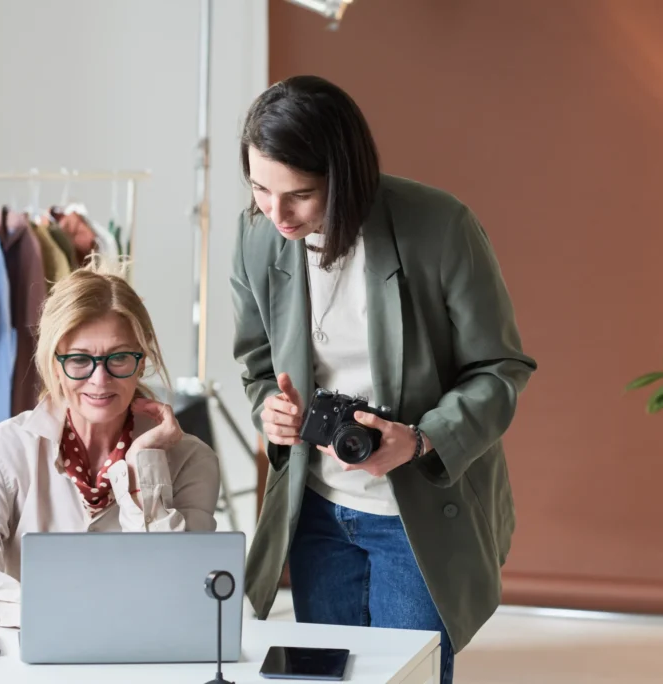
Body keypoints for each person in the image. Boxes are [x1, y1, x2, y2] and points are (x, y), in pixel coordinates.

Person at [232, 74, 538, 684]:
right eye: (260, 188)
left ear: (344, 177)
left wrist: (419, 439)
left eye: (298, 194)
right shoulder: (258, 236)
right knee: (325, 679)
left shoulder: (440, 226)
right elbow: (259, 364)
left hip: (417, 511)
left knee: (407, 677)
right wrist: (271, 407)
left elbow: (501, 369)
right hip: (315, 511)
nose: (276, 212)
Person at [0, 258, 221, 627]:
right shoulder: (3, 450)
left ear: (141, 363)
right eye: (79, 360)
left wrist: (145, 467)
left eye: (119, 358)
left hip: (148, 650)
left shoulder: (192, 460)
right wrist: (42, 607)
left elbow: (184, 586)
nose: (100, 379)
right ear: (54, 362)